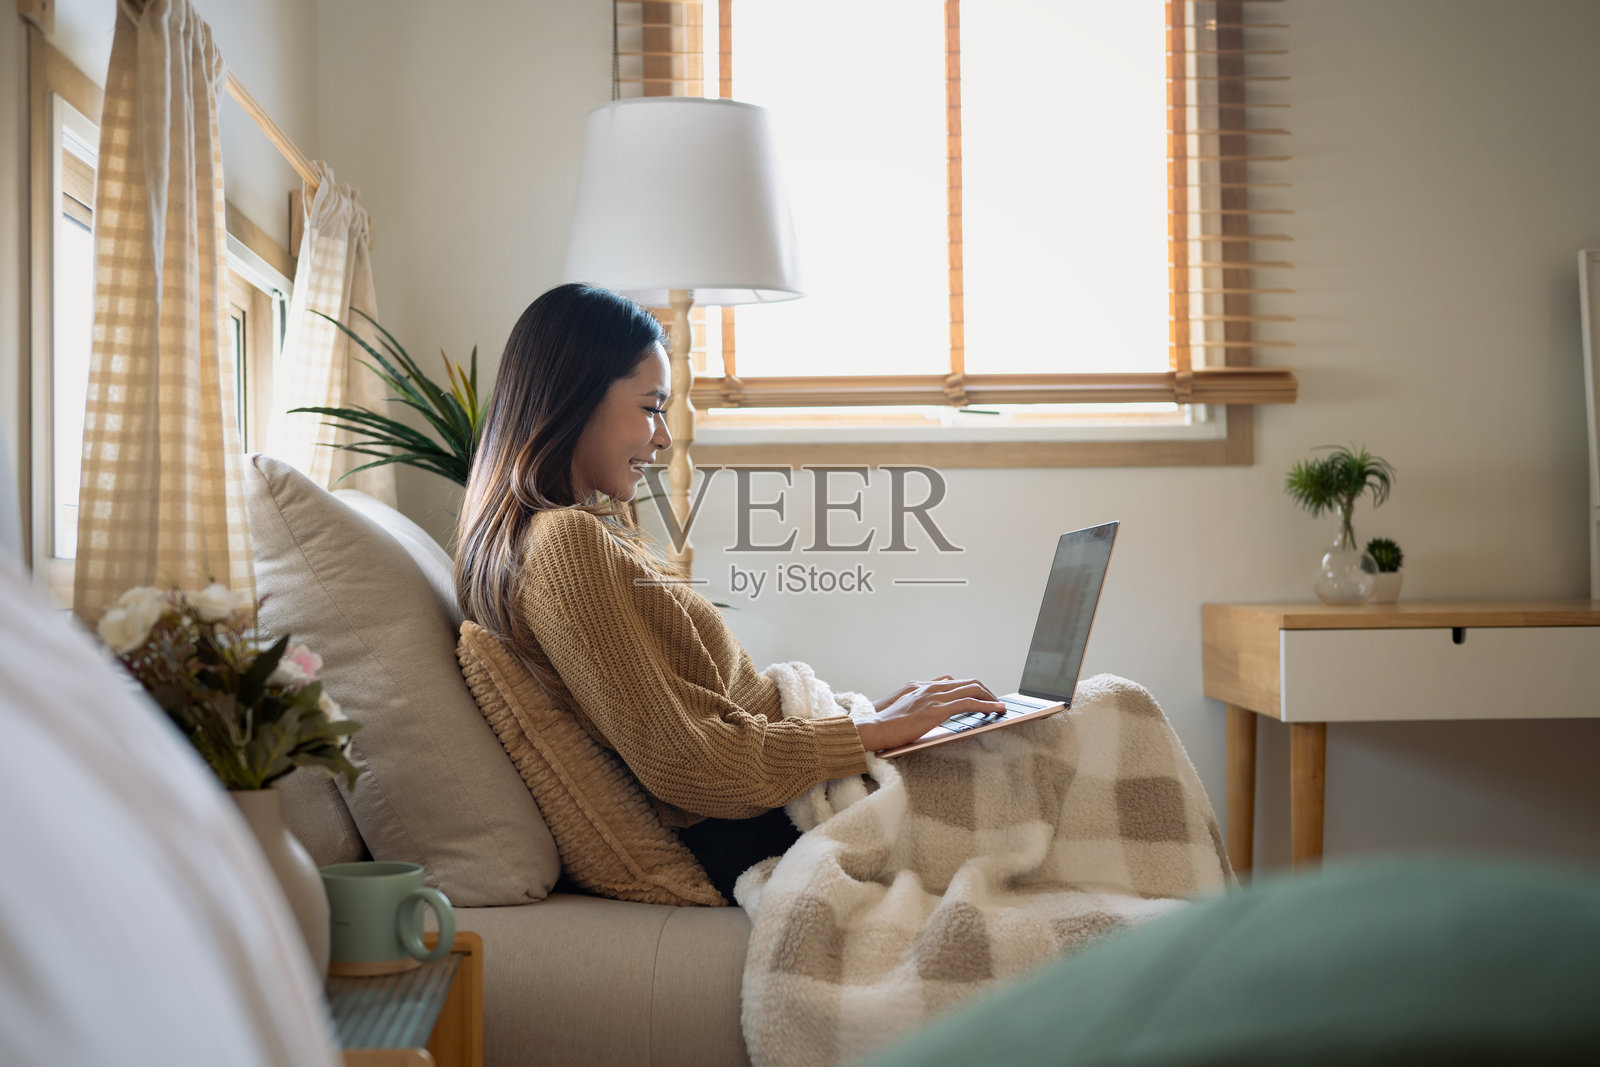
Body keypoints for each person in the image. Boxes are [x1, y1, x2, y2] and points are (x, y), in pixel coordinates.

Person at [455, 283, 1005, 898]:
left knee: (1035, 721)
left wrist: (874, 720)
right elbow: (686, 763)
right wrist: (869, 734)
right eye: (651, 406)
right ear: (574, 398)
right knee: (1088, 717)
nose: (663, 438)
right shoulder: (563, 545)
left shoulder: (558, 538)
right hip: (775, 814)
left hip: (795, 769)